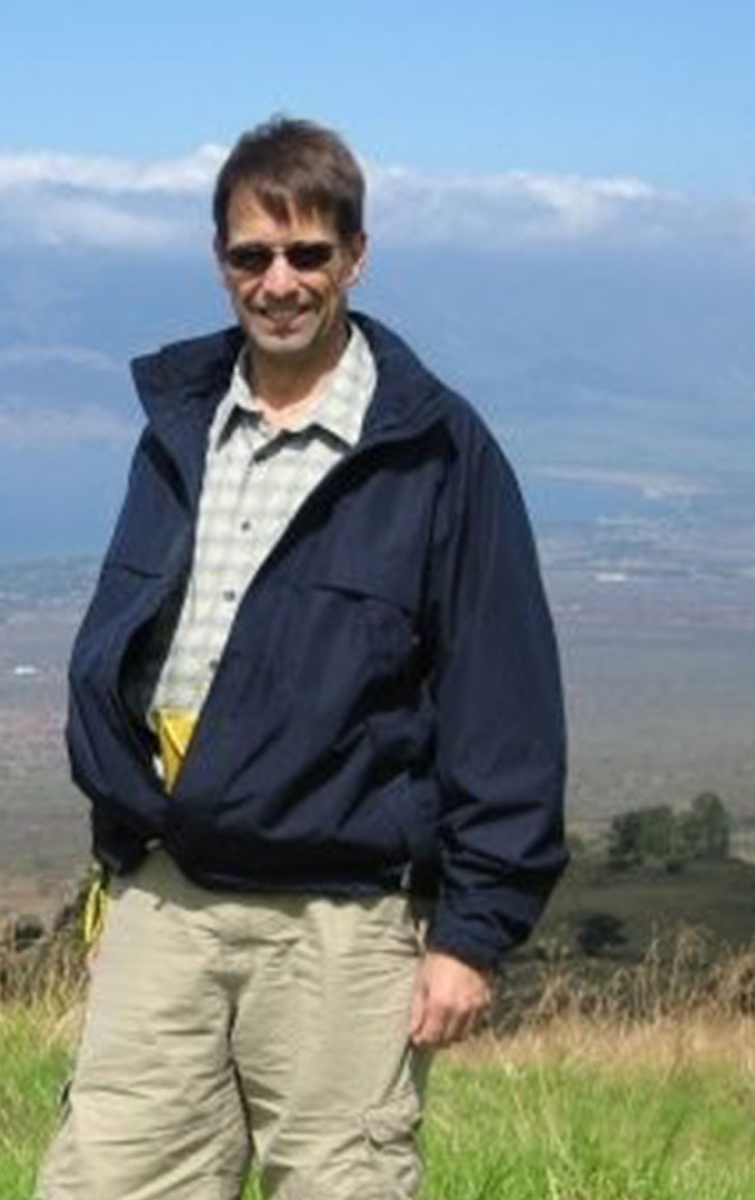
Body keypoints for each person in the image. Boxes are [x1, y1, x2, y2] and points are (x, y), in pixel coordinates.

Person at [36, 116, 567, 1200]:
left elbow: (503, 704)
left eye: (307, 254)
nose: (278, 282)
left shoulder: (435, 452)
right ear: (220, 262)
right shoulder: (184, 426)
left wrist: (471, 933)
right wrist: (122, 875)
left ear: (355, 258)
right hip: (166, 898)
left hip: (340, 922)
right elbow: (134, 653)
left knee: (343, 1183)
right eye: (251, 256)